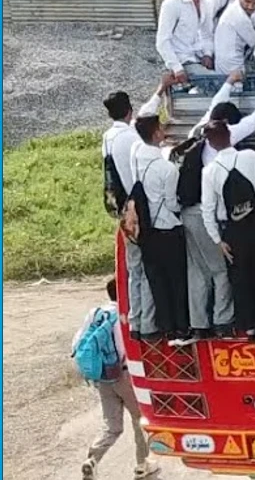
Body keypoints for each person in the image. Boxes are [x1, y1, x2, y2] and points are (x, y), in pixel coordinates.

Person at [102, 78, 173, 341]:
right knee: (148, 269)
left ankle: (135, 322)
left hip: (124, 214)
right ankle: (149, 324)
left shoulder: (108, 137)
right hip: (141, 212)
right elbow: (144, 121)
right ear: (129, 110)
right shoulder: (132, 137)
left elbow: (142, 117)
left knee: (134, 270)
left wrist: (159, 91)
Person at [200, 120, 255, 341]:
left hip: (233, 232)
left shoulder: (209, 172)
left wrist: (218, 240)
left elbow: (208, 210)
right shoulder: (250, 157)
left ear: (211, 144)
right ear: (229, 135)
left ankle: (249, 326)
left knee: (242, 279)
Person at [75, 277, 159, 480]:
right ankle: (141, 465)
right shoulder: (125, 316)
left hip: (103, 376)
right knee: (140, 419)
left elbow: (77, 343)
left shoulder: (95, 313)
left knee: (112, 425)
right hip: (125, 375)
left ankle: (93, 459)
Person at [130, 114, 190, 342]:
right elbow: (173, 203)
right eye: (162, 128)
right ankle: (181, 327)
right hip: (168, 231)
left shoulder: (137, 161)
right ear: (156, 134)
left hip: (147, 231)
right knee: (177, 281)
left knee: (158, 282)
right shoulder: (167, 169)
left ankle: (165, 327)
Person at [155, 0, 214, 83]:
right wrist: (177, 68)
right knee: (215, 81)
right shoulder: (172, 4)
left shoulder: (207, 4)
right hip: (182, 59)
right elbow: (162, 41)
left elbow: (207, 34)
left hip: (198, 57)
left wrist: (208, 54)